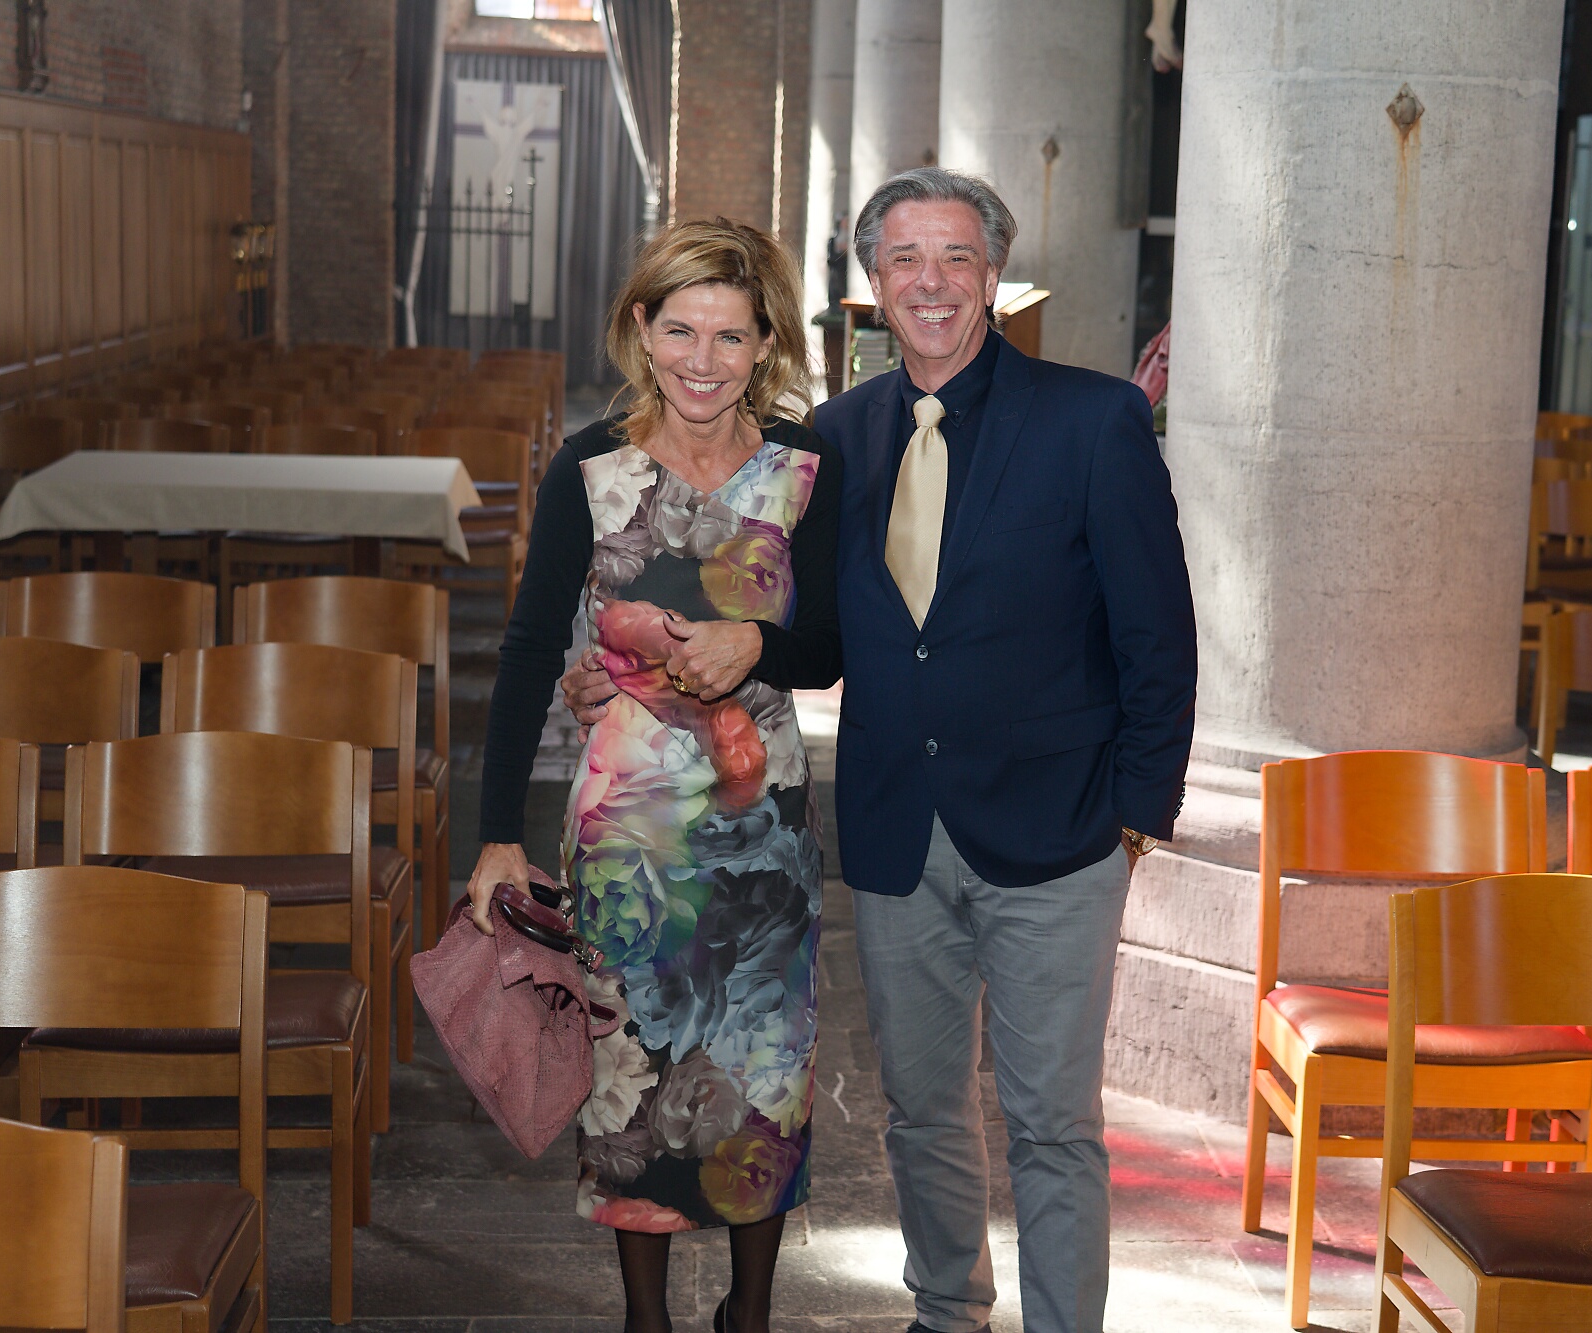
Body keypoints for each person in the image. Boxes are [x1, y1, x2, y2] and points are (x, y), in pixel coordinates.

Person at [567, 167, 1198, 1333]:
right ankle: (946, 1312)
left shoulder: (1091, 418)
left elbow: (1158, 632)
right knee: (921, 1109)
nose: (931, 281)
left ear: (993, 276)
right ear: (871, 281)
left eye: (957, 256)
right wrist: (638, 659)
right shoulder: (835, 442)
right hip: (898, 827)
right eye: (904, 258)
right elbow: (798, 631)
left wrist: (1134, 814)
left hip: (1059, 831)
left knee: (1052, 1123)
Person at [472, 217, 840, 1333]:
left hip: (763, 827)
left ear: (764, 342)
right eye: (680, 330)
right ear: (642, 328)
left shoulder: (804, 469)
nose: (702, 360)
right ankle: (646, 1317)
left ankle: (750, 1310)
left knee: (766, 1069)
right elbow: (529, 650)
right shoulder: (589, 468)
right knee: (633, 1071)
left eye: (729, 336)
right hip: (628, 835)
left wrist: (758, 644)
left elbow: (831, 646)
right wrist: (497, 832)